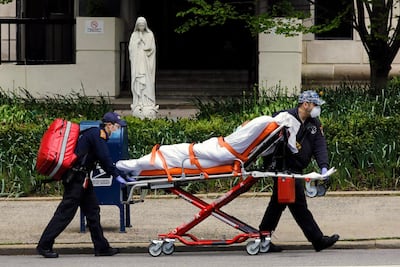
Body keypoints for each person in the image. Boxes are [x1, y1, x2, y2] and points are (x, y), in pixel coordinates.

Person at [36, 112, 127, 258]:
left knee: (92, 211)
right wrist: (117, 176)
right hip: (76, 179)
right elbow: (105, 159)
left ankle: (101, 247)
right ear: (108, 125)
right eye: (116, 126)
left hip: (82, 179)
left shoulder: (93, 133)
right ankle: (44, 245)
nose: (117, 129)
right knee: (65, 213)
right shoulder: (98, 135)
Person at [259, 90, 339, 252]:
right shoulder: (285, 119)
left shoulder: (314, 123)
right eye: (315, 104)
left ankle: (263, 239)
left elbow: (320, 146)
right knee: (297, 203)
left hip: (296, 168)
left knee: (279, 203)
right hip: (282, 167)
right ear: (305, 104)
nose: (317, 108)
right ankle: (317, 240)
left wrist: (323, 166)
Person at [116, 112, 300, 177]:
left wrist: (243, 127)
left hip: (221, 151)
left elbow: (243, 131)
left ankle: (121, 166)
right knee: (181, 157)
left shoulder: (265, 122)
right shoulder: (272, 132)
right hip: (223, 152)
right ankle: (134, 169)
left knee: (172, 153)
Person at [129, 16, 158, 118]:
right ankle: (139, 102)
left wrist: (143, 41)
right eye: (139, 25)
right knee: (138, 82)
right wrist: (137, 42)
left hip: (146, 63)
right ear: (137, 25)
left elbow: (151, 49)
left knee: (147, 82)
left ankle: (148, 103)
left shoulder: (150, 35)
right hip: (137, 63)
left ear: (145, 25)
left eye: (143, 25)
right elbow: (131, 49)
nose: (141, 26)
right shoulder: (134, 35)